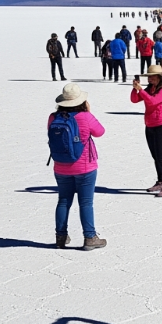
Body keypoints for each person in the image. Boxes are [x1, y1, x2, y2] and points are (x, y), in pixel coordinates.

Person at [48, 83, 107, 250]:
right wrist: (88, 113)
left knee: (63, 201)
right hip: (85, 167)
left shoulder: (53, 117)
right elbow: (100, 132)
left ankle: (61, 237)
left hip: (61, 166)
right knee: (86, 202)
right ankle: (90, 237)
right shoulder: (85, 117)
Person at [130, 65, 162, 198]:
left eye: (152, 76)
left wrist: (141, 91)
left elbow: (153, 101)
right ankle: (161, 181)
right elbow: (134, 100)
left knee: (161, 157)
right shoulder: (150, 88)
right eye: (148, 76)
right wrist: (135, 88)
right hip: (150, 125)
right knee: (155, 156)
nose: (150, 79)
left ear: (160, 77)